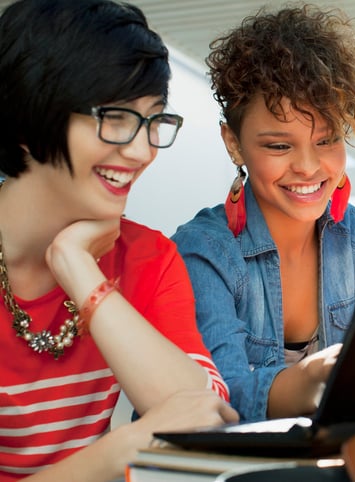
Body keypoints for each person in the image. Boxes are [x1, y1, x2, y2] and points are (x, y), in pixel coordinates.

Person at [0, 0, 239, 480]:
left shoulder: (147, 257)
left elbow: (204, 423)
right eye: (115, 117)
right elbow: (158, 437)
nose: (141, 149)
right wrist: (121, 449)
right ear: (29, 119)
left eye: (153, 120)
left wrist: (78, 269)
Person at [171, 3, 355, 422]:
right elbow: (216, 405)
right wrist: (309, 381)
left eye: (326, 140)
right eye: (279, 146)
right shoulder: (202, 251)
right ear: (234, 144)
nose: (307, 167)